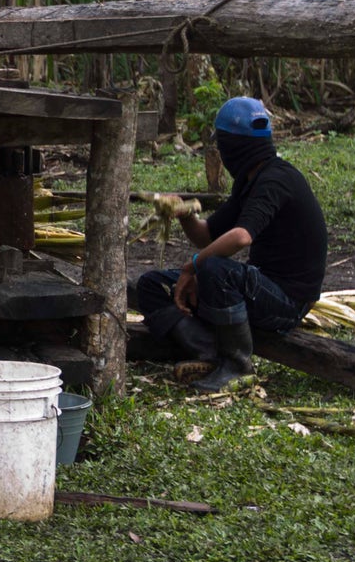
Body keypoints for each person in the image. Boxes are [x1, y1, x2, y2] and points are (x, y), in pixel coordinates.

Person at [134, 96, 326, 391]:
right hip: (259, 288)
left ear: (231, 146)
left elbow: (240, 237)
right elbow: (207, 235)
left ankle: (238, 366)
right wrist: (185, 214)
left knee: (214, 269)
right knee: (151, 285)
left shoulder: (274, 180)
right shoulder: (250, 181)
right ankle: (208, 352)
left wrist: (192, 267)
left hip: (287, 302)